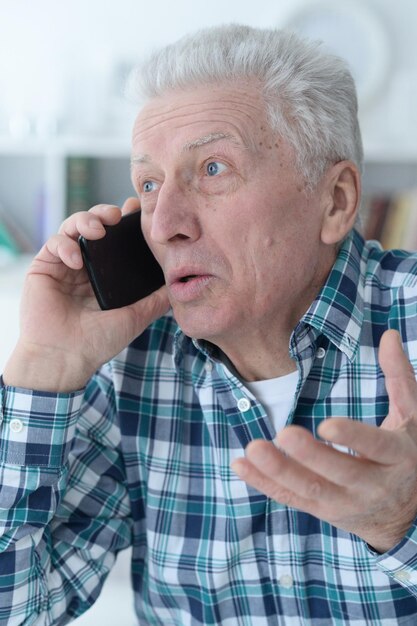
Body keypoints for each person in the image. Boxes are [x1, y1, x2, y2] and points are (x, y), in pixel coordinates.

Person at [1, 23, 417, 626]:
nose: (164, 221)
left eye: (213, 168)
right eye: (148, 183)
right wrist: (44, 365)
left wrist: (401, 523)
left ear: (335, 200)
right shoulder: (129, 361)